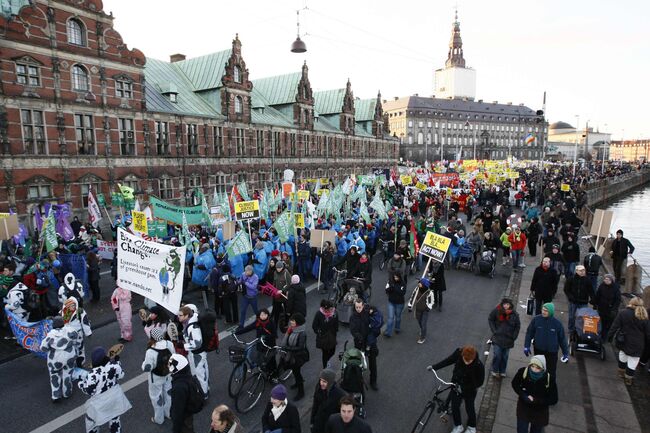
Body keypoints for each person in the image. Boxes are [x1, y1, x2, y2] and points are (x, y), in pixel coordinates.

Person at [430, 346, 485, 433]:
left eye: (469, 361)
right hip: (456, 385)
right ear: (462, 355)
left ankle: (471, 427)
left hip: (469, 390)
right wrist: (434, 367)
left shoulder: (479, 366)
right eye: (465, 359)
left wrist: (463, 388)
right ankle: (458, 425)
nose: (466, 362)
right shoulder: (459, 353)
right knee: (455, 406)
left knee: (469, 408)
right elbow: (448, 360)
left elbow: (479, 383)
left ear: (473, 358)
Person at [78, 346, 131, 433]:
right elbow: (121, 375)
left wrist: (80, 383)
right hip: (114, 398)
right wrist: (117, 362)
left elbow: (88, 391)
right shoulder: (113, 366)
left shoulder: (92, 374)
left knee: (91, 419)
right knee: (114, 418)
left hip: (100, 402)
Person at [608, 297, 650, 385]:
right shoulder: (644, 317)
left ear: (631, 303)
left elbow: (614, 326)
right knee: (633, 361)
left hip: (623, 340)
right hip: (637, 344)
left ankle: (621, 373)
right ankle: (628, 379)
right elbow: (648, 333)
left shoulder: (623, 313)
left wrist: (610, 337)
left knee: (622, 355)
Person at [511, 355, 558, 433]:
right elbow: (515, 384)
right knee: (521, 430)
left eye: (538, 368)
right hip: (524, 408)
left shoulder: (549, 379)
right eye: (532, 366)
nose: (534, 370)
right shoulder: (523, 372)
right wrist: (523, 395)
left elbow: (554, 399)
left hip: (540, 412)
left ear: (543, 368)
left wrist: (537, 401)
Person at [524, 303, 569, 377]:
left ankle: (550, 386)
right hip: (539, 350)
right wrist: (526, 346)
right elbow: (529, 333)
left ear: (551, 312)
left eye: (546, 311)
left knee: (551, 372)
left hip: (552, 353)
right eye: (543, 310)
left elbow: (562, 339)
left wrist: (565, 353)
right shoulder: (536, 320)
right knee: (538, 369)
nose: (543, 312)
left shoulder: (557, 324)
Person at [40, 316, 79, 402]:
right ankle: (67, 393)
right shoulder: (69, 329)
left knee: (54, 375)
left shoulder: (51, 334)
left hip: (55, 359)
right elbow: (76, 335)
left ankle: (56, 396)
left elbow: (43, 348)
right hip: (70, 356)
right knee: (67, 374)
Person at [141, 327, 175, 425]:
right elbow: (173, 357)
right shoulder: (169, 344)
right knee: (168, 394)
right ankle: (169, 413)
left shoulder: (151, 351)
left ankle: (159, 419)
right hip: (168, 374)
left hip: (155, 378)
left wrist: (144, 364)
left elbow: (147, 367)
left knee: (156, 397)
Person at [178, 304, 209, 396]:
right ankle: (205, 390)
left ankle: (204, 394)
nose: (178, 317)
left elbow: (197, 343)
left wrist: (184, 346)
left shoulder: (192, 327)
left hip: (197, 354)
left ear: (187, 315)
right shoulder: (191, 322)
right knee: (203, 372)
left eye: (180, 315)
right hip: (198, 353)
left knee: (200, 374)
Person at [279, 313, 310, 401]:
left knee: (297, 373)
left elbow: (300, 347)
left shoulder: (302, 333)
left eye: (293, 321)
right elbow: (283, 330)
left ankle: (301, 392)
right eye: (291, 320)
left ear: (298, 322)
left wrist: (287, 348)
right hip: (291, 355)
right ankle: (297, 383)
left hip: (298, 357)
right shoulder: (291, 329)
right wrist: (281, 321)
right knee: (295, 371)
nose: (291, 322)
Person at [488, 298, 521, 378]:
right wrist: (494, 330)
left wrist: (514, 336)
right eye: (504, 304)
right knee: (497, 355)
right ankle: (495, 370)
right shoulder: (497, 311)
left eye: (507, 304)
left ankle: (502, 370)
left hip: (508, 339)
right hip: (498, 338)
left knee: (505, 356)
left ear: (510, 306)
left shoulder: (514, 315)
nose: (506, 306)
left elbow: (517, 326)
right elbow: (490, 319)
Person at [310, 369, 347, 433]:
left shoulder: (339, 394)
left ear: (330, 382)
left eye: (324, 381)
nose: (321, 383)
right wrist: (312, 421)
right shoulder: (318, 388)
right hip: (319, 422)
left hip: (331, 425)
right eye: (320, 380)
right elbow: (315, 405)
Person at [169, 353, 196, 433]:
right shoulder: (187, 377)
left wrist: (176, 430)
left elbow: (178, 411)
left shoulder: (179, 387)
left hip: (184, 417)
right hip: (188, 413)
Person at [563, 265, 594, 335]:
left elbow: (591, 291)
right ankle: (571, 330)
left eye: (583, 270)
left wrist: (593, 299)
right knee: (572, 316)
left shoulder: (587, 280)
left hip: (583, 302)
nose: (582, 272)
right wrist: (570, 297)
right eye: (580, 270)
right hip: (573, 302)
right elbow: (566, 289)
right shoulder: (571, 279)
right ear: (576, 271)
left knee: (583, 317)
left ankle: (579, 329)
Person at [592, 274, 621, 340]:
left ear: (611, 280)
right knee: (600, 323)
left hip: (610, 310)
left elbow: (618, 300)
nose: (606, 280)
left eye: (608, 279)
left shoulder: (616, 288)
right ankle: (600, 336)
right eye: (605, 279)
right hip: (601, 308)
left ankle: (606, 337)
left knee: (608, 325)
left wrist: (614, 309)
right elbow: (598, 295)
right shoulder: (602, 286)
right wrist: (595, 304)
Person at [312, 300, 339, 368]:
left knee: (333, 351)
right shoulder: (319, 314)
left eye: (331, 308)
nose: (331, 310)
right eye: (329, 309)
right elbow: (314, 325)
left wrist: (335, 330)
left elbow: (336, 323)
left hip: (332, 336)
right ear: (324, 309)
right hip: (323, 338)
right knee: (325, 353)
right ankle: (325, 367)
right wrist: (319, 332)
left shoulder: (334, 313)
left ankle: (328, 361)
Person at [407, 277, 434, 344]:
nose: (419, 284)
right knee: (419, 322)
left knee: (423, 324)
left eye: (420, 283)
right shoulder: (417, 289)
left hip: (425, 311)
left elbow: (431, 302)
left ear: (424, 285)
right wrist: (410, 305)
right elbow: (412, 297)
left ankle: (422, 337)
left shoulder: (429, 292)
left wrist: (428, 308)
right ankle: (422, 329)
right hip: (418, 309)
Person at [383, 272, 406, 337]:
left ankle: (397, 328)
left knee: (398, 317)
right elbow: (386, 290)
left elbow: (402, 293)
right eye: (394, 277)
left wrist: (394, 288)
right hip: (391, 302)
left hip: (400, 303)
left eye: (397, 277)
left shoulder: (403, 283)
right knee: (390, 318)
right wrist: (391, 288)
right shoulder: (390, 282)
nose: (395, 278)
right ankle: (388, 332)